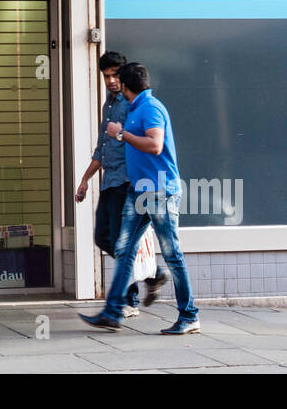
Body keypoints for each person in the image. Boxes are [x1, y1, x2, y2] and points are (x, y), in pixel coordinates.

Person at [80, 62, 200, 335]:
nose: (114, 84)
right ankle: (112, 313)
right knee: (123, 250)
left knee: (172, 254)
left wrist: (122, 134)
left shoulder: (151, 108)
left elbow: (155, 145)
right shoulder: (135, 108)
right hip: (139, 192)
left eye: (117, 80)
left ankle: (190, 315)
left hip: (160, 192)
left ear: (125, 85)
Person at [75, 50, 158, 314]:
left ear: (123, 77)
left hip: (127, 180)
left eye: (115, 75)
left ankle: (129, 300)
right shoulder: (108, 105)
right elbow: (102, 147)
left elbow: (145, 142)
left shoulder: (130, 104)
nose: (111, 80)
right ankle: (151, 277)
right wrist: (85, 179)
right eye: (106, 75)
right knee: (103, 238)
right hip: (109, 180)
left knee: (121, 242)